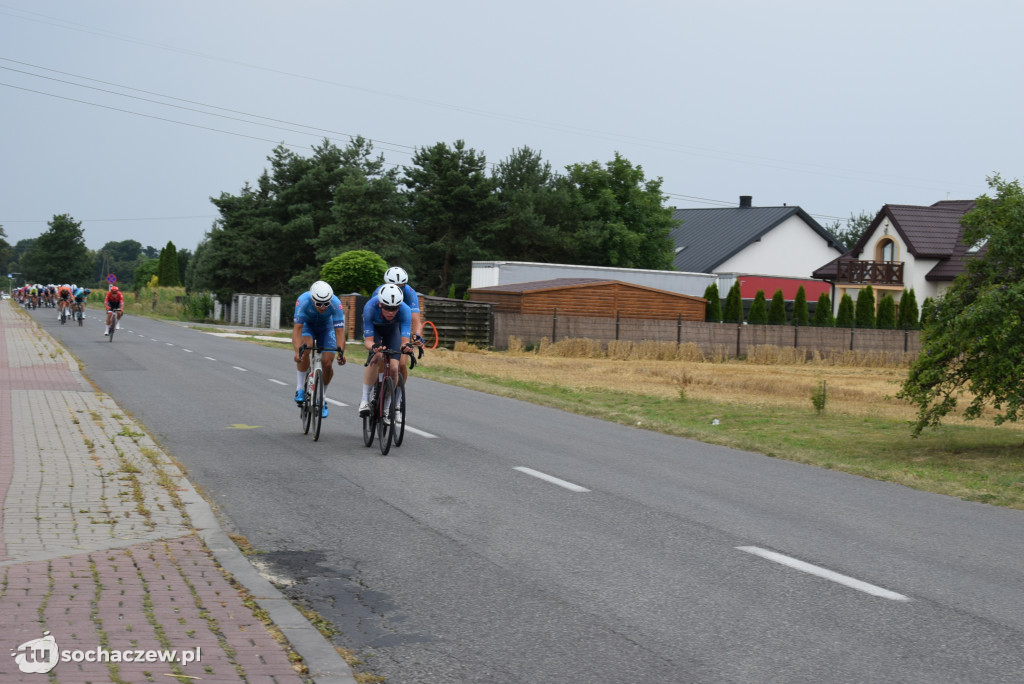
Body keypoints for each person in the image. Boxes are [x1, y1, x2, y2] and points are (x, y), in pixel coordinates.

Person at [292, 280, 346, 418]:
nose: (323, 307)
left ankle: (322, 398)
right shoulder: (303, 301)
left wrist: (341, 353)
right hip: (307, 326)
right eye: (319, 304)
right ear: (312, 299)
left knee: (328, 363)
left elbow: (340, 332)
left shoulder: (336, 303)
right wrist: (298, 351)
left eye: (326, 304)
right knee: (305, 349)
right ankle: (300, 389)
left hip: (326, 328)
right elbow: (297, 331)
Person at [359, 283, 412, 421]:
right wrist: (375, 347)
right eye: (387, 307)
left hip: (392, 331)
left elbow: (404, 340)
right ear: (381, 304)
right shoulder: (370, 307)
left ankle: (387, 407)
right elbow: (368, 342)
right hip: (375, 331)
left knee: (395, 368)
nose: (390, 312)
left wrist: (407, 347)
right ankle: (364, 400)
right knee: (376, 356)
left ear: (399, 306)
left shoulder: (405, 310)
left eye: (394, 308)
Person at [372, 266, 424, 383]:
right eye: (396, 287)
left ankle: (399, 395)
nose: (399, 290)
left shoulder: (410, 293)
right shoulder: (378, 292)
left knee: (401, 364)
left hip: (400, 325)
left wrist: (417, 336)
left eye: (402, 286)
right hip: (383, 324)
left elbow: (416, 320)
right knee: (380, 356)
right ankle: (379, 385)